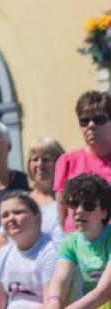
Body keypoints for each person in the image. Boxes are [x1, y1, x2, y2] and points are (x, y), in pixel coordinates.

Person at [24, 171, 111, 309]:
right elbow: (60, 279)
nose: (79, 211)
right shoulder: (70, 241)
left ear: (104, 212)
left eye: (88, 205)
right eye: (73, 204)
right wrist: (53, 305)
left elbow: (103, 293)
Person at [56, 90, 111, 230]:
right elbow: (62, 216)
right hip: (78, 239)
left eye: (99, 119)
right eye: (84, 121)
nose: (91, 125)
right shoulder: (67, 161)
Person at [25, 136, 66, 243]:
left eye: (46, 159)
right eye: (35, 159)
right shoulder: (23, 201)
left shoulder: (70, 199)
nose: (39, 164)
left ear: (60, 162)